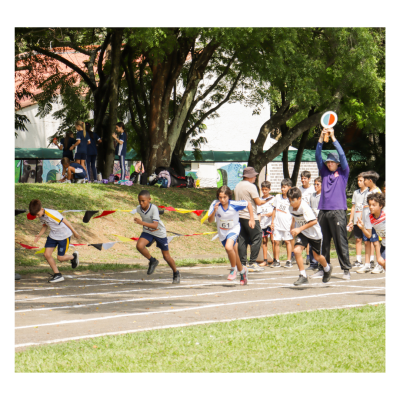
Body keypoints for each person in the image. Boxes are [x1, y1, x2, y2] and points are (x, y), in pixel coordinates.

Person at [316, 127, 352, 280]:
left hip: (338, 210)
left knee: (340, 241)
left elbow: (342, 155)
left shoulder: (343, 173)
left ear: (337, 164)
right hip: (323, 210)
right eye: (328, 162)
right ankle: (323, 268)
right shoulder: (324, 172)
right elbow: (318, 155)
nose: (330, 164)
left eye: (332, 162)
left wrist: (333, 138)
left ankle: (346, 270)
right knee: (322, 241)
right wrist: (321, 137)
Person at [208, 186, 253, 285]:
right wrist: (214, 211)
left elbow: (248, 204)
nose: (222, 200)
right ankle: (242, 273)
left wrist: (252, 219)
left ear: (229, 196)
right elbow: (210, 220)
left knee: (229, 248)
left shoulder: (234, 204)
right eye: (220, 197)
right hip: (222, 233)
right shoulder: (215, 205)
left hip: (234, 230)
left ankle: (233, 270)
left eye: (225, 197)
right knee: (234, 254)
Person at [288, 187, 333, 286]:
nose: (291, 202)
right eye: (289, 200)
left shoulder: (304, 207)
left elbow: (314, 221)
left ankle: (327, 268)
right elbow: (294, 218)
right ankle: (303, 276)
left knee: (317, 257)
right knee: (296, 251)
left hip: (314, 234)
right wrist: (292, 227)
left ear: (299, 198)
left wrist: (299, 229)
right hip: (304, 233)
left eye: (293, 200)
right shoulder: (291, 208)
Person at [134, 190, 180, 284]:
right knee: (139, 246)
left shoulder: (154, 208)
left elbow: (155, 225)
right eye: (139, 201)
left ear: (149, 199)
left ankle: (176, 273)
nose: (141, 203)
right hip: (148, 231)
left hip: (159, 232)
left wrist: (141, 222)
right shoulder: (139, 208)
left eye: (143, 201)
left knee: (166, 257)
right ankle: (153, 261)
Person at [29, 199, 80, 283]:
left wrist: (75, 232)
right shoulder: (41, 215)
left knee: (60, 258)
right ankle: (58, 275)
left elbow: (65, 221)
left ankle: (73, 257)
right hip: (53, 235)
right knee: (46, 254)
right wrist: (39, 235)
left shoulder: (52, 214)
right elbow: (45, 225)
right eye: (36, 215)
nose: (37, 216)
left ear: (41, 209)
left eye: (37, 214)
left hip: (64, 236)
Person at [234, 167, 267, 272]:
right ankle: (252, 262)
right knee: (257, 237)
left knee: (242, 240)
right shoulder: (251, 186)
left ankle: (243, 263)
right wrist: (267, 200)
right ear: (250, 176)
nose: (255, 177)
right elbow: (258, 202)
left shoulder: (238, 185)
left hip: (239, 216)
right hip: (250, 216)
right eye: (254, 175)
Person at [357, 171, 382, 274]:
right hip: (367, 221)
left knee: (375, 242)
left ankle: (379, 264)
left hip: (374, 221)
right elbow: (365, 207)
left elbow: (381, 208)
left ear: (370, 181)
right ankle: (367, 265)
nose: (364, 182)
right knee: (367, 241)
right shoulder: (367, 191)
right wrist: (361, 218)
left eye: (365, 180)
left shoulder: (377, 192)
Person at [356, 192, 386, 272]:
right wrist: (362, 228)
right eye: (369, 205)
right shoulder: (369, 217)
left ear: (381, 206)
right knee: (380, 262)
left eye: (374, 205)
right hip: (384, 244)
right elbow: (369, 235)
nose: (371, 207)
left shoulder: (385, 213)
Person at [271, 178, 293, 268]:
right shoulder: (277, 197)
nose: (282, 189)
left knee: (288, 241)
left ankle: (289, 260)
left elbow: (293, 213)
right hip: (277, 224)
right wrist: (272, 222)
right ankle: (277, 260)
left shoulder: (291, 199)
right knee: (276, 242)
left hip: (287, 224)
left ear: (289, 188)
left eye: (284, 187)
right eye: (282, 187)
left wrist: (292, 225)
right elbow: (274, 210)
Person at [347, 173, 368, 269]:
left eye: (361, 180)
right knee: (358, 239)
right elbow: (353, 207)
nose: (359, 182)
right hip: (356, 221)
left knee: (367, 241)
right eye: (358, 180)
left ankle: (370, 260)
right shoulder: (356, 193)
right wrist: (351, 220)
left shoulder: (368, 192)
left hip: (366, 221)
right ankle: (358, 260)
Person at [299, 171, 316, 265]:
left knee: (310, 235)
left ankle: (309, 256)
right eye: (302, 178)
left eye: (305, 178)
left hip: (310, 215)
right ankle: (295, 255)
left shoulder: (313, 189)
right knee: (302, 235)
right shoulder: (299, 189)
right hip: (301, 216)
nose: (303, 180)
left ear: (309, 179)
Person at [256, 181, 275, 267]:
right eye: (263, 189)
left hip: (271, 223)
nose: (264, 191)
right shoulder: (259, 200)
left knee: (273, 240)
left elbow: (276, 210)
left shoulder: (273, 199)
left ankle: (275, 259)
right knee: (264, 241)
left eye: (266, 190)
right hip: (262, 223)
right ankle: (265, 260)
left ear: (269, 189)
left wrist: (271, 214)